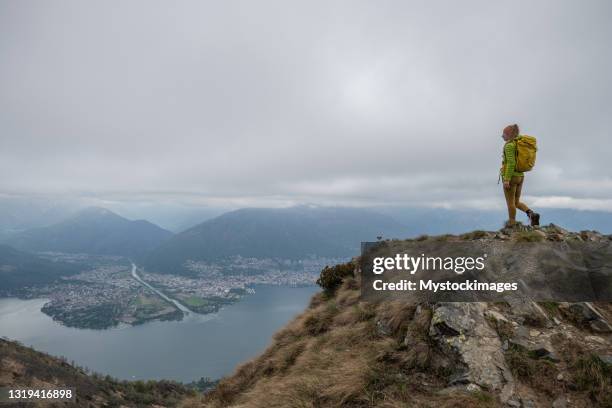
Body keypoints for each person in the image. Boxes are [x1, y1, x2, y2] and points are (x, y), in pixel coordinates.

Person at [500, 124, 540, 227]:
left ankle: (511, 224)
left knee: (510, 203)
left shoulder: (509, 145)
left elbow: (511, 163)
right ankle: (532, 214)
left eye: (504, 134)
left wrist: (506, 179)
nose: (502, 136)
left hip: (511, 177)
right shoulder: (518, 142)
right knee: (516, 202)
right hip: (520, 176)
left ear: (509, 134)